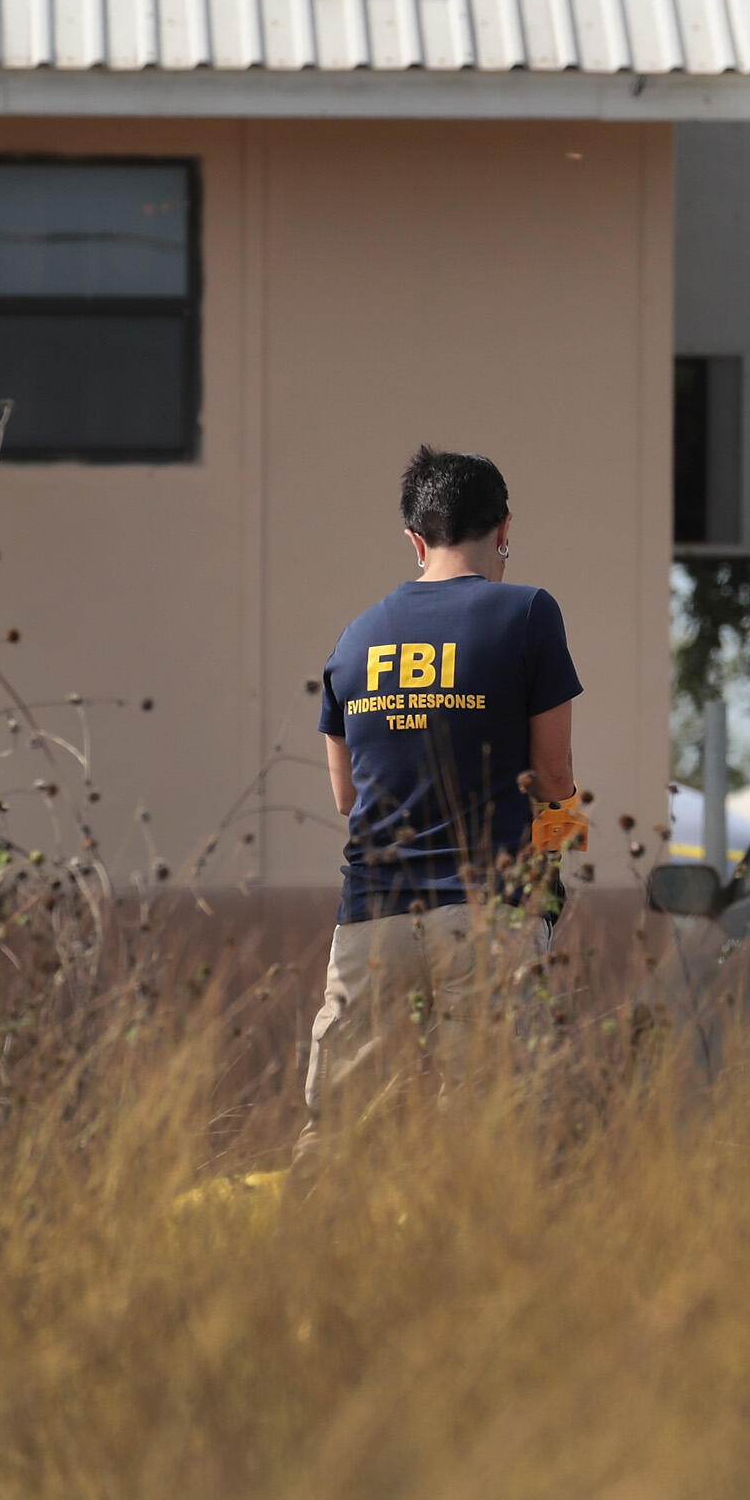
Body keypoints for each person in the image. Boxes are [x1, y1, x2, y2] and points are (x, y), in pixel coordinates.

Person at [302, 447, 582, 1156]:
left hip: (370, 918)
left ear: (415, 540)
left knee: (338, 1133)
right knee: (492, 1137)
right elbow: (554, 775)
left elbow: (345, 797)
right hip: (486, 913)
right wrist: (555, 873)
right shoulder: (528, 613)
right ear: (504, 527)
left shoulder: (354, 639)